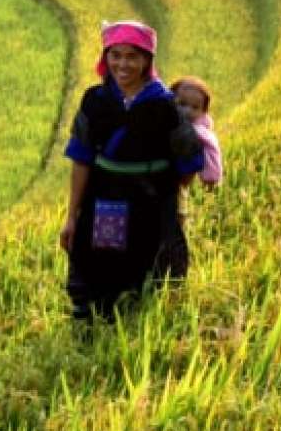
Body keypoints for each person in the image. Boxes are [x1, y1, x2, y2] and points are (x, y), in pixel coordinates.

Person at [59, 21, 209, 322]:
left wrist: (170, 202)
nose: (123, 64)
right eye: (116, 55)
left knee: (146, 272)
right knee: (99, 271)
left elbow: (188, 163)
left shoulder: (166, 107)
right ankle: (94, 331)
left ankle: (133, 337)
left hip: (149, 204)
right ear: (106, 57)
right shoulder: (95, 101)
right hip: (104, 203)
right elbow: (81, 159)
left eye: (132, 56)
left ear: (146, 61)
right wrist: (71, 216)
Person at [172, 76, 224, 189]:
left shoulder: (199, 133)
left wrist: (211, 177)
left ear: (203, 112)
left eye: (195, 107)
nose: (187, 111)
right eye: (182, 104)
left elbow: (212, 151)